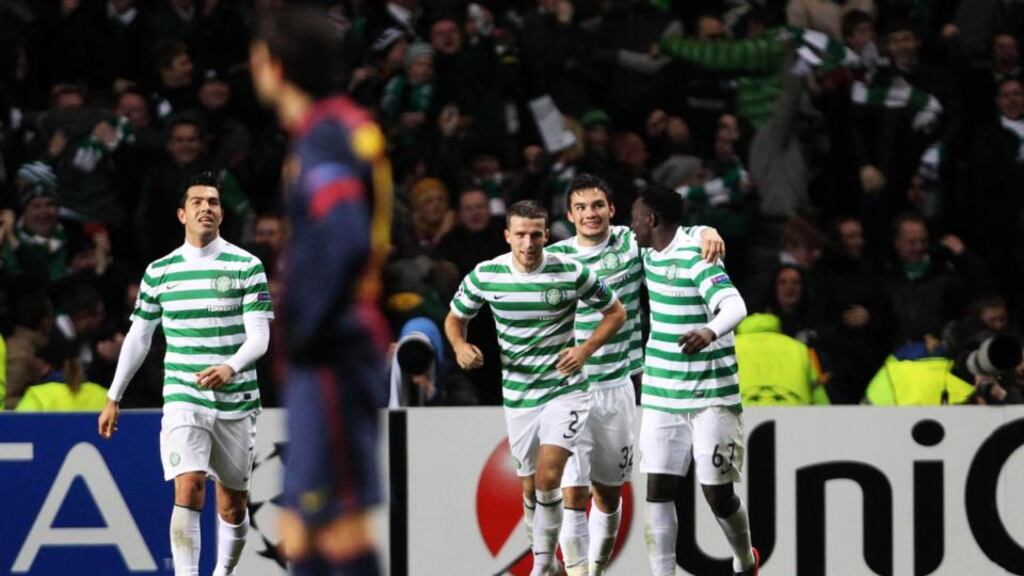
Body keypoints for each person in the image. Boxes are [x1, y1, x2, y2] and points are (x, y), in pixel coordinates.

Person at [250, 7, 394, 576]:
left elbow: (341, 234)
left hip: (333, 346)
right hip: (336, 344)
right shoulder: (337, 125)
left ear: (277, 65)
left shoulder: (325, 135)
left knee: (331, 524)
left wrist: (304, 328)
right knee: (305, 527)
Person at [97, 171, 274, 576]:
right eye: (197, 202)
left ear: (221, 214)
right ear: (182, 214)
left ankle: (224, 573)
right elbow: (139, 338)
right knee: (189, 485)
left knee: (233, 505)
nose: (205, 208)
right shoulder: (160, 272)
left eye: (212, 202)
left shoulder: (247, 266)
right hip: (183, 393)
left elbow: (260, 337)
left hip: (236, 398)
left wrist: (230, 366)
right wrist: (114, 396)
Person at [546, 173, 724, 575]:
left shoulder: (631, 244)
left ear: (611, 210)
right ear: (570, 216)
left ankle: (594, 568)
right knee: (572, 491)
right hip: (569, 388)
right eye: (581, 208)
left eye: (597, 206)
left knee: (607, 497)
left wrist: (707, 229)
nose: (590, 214)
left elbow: (676, 231)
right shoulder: (556, 258)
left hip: (617, 387)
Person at [445, 200, 626, 576]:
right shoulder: (487, 275)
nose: (529, 243)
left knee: (548, 477)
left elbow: (616, 312)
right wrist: (460, 347)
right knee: (529, 489)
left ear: (547, 235)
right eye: (521, 235)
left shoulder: (570, 272)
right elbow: (454, 318)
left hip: (566, 389)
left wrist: (585, 350)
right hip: (518, 395)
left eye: (536, 234)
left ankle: (541, 566)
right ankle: (550, 560)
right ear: (507, 236)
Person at [629, 186, 758, 576]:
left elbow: (736, 305)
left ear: (652, 221)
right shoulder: (646, 251)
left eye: (636, 218)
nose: (630, 226)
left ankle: (744, 559)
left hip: (710, 394)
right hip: (662, 392)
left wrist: (709, 331)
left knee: (717, 494)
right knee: (658, 490)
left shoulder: (696, 255)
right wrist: (707, 227)